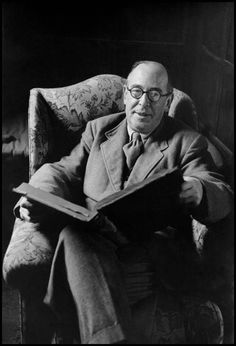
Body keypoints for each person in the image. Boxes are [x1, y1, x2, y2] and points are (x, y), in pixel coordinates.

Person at [16, 61, 233, 343]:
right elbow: (62, 170)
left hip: (145, 253)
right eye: (137, 91)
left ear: (167, 100)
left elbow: (220, 189)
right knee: (74, 235)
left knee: (71, 243)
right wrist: (36, 197)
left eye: (155, 94)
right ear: (125, 94)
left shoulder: (187, 142)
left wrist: (200, 190)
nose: (144, 102)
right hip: (95, 242)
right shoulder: (98, 130)